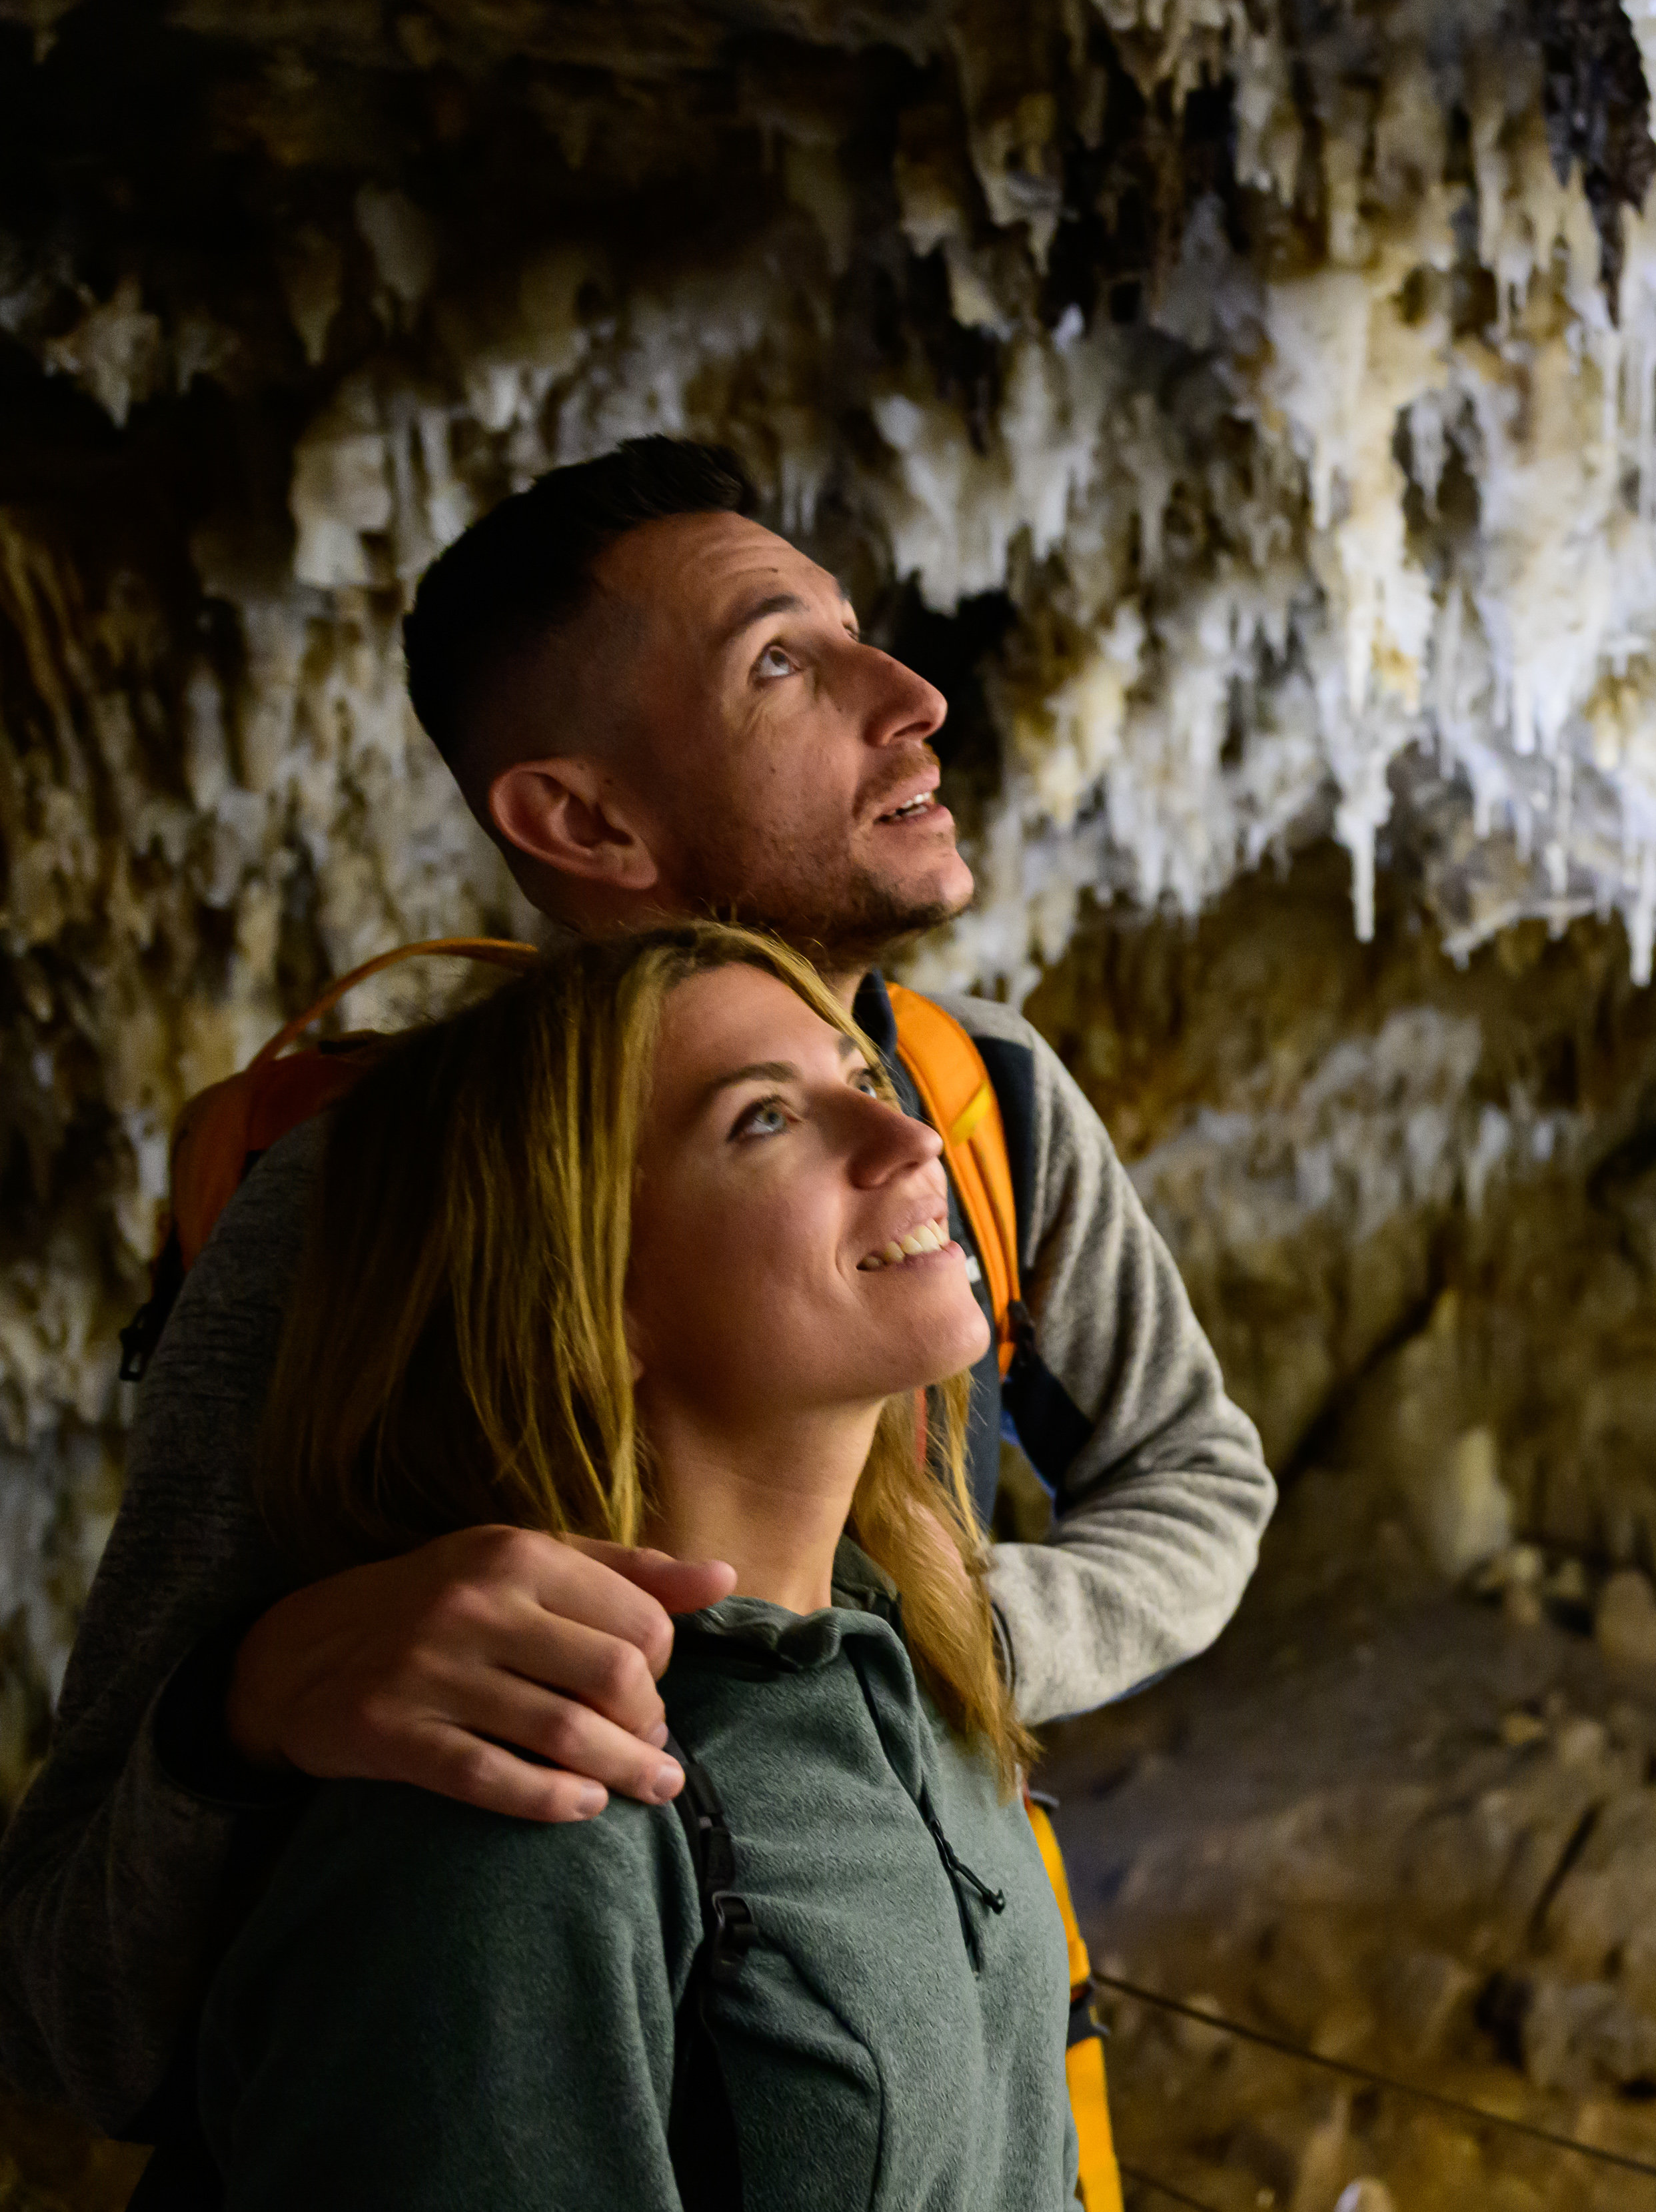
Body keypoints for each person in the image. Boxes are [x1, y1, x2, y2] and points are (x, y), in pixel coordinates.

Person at [0, 438, 1273, 2135]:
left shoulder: (982, 1099)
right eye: (781, 662)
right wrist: (252, 1700)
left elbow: (1197, 1475)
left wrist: (913, 1647)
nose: (910, 697)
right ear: (583, 815)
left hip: (926, 1996)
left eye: (856, 631)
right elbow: (64, 2009)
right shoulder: (373, 1196)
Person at [203, 921, 1071, 2205]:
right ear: (592, 1297)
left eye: (862, 1080)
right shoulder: (519, 1820)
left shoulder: (914, 1660)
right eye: (767, 1120)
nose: (913, 1141)